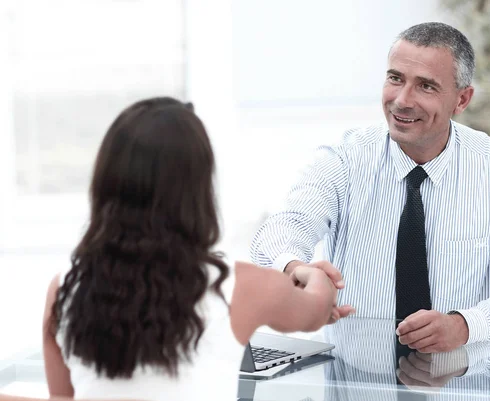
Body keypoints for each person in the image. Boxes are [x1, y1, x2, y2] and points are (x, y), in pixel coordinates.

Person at [250, 22, 490, 352]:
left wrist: (465, 324)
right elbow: (283, 228)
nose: (401, 100)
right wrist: (294, 268)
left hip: (463, 383)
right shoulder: (344, 159)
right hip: (354, 383)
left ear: (462, 99)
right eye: (395, 78)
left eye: (426, 86)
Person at [42, 97, 343, 401]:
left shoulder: (65, 289)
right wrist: (304, 271)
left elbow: (62, 397)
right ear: (197, 191)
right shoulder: (241, 287)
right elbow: (317, 309)